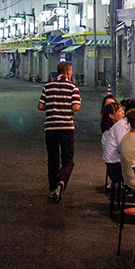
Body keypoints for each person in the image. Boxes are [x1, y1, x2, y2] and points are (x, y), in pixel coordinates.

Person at [37, 61, 81, 202]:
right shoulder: (72, 87)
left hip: (51, 128)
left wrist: (52, 106)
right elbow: (75, 107)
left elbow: (40, 106)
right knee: (68, 160)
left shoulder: (48, 86)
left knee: (53, 159)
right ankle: (61, 182)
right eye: (71, 71)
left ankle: (52, 189)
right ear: (68, 72)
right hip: (66, 128)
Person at [101, 101, 128, 185]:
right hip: (116, 169)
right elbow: (122, 148)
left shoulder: (113, 128)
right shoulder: (118, 127)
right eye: (119, 111)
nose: (123, 112)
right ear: (111, 116)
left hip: (112, 167)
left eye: (122, 110)